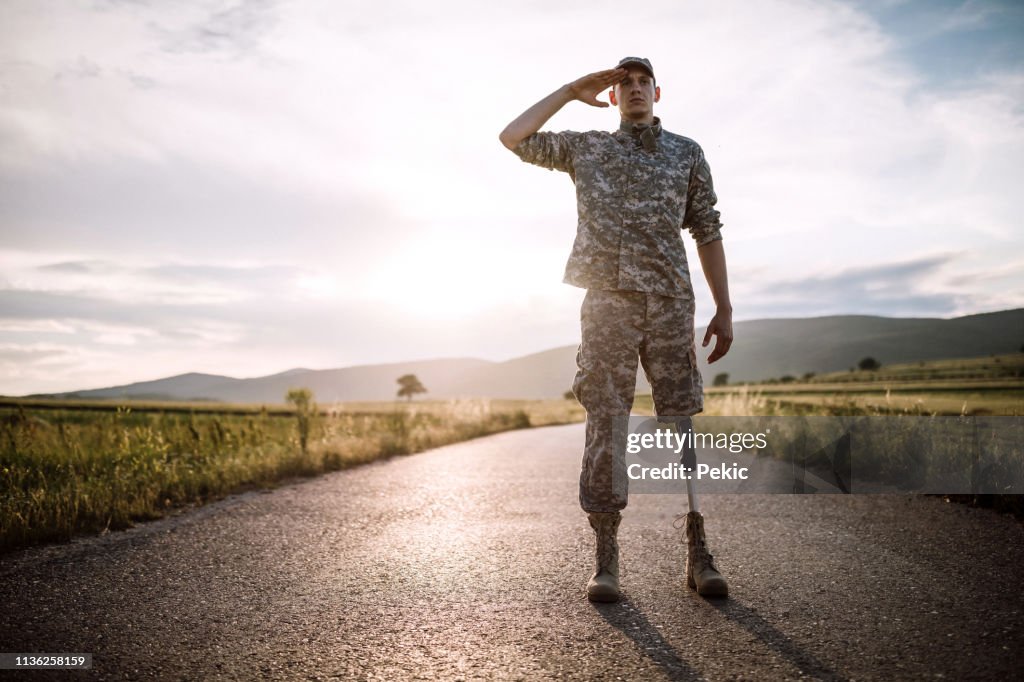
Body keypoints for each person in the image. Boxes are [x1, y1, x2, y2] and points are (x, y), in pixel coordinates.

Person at [499, 57, 733, 602]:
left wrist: (724, 307)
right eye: (622, 82)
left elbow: (708, 229)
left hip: (671, 302)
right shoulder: (588, 148)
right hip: (606, 304)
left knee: (680, 420)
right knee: (606, 421)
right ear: (612, 94)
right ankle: (606, 559)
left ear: (657, 92)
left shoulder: (687, 153)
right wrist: (568, 90)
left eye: (641, 82)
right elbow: (512, 137)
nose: (632, 89)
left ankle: (699, 551)